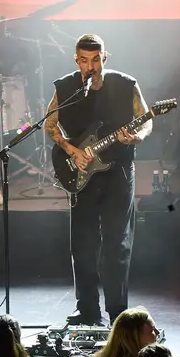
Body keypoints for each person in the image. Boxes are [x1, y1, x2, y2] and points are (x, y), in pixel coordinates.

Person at [45, 34, 152, 325]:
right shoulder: (66, 87)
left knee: (118, 242)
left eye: (95, 60)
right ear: (76, 60)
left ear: (104, 57)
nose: (90, 66)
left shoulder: (125, 84)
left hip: (118, 171)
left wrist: (136, 137)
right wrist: (72, 151)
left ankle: (118, 312)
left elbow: (146, 118)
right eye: (84, 60)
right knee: (82, 243)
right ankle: (87, 309)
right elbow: (50, 124)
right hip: (83, 172)